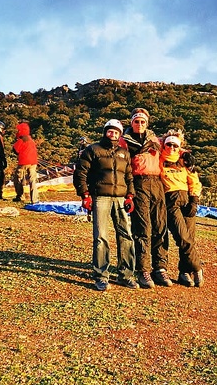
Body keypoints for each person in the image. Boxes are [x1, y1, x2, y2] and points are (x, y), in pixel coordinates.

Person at [73, 119, 138, 291]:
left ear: (120, 134)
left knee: (126, 236)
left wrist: (130, 195)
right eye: (110, 131)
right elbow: (80, 172)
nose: (113, 134)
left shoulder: (124, 153)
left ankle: (126, 275)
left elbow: (129, 176)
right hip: (100, 197)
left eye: (116, 132)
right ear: (105, 132)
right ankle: (101, 276)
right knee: (101, 237)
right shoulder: (93, 150)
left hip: (120, 199)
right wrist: (85, 195)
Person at [123, 107, 172, 288]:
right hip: (138, 182)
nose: (140, 124)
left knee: (160, 226)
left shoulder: (155, 140)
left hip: (157, 183)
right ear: (132, 123)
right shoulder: (124, 141)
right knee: (143, 226)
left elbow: (173, 150)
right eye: (137, 121)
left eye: (143, 122)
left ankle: (160, 267)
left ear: (147, 123)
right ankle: (143, 269)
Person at [160, 130, 204, 287]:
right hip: (170, 199)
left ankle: (184, 272)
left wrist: (194, 199)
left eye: (175, 145)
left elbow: (194, 180)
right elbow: (154, 142)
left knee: (190, 237)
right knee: (182, 237)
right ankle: (197, 267)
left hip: (187, 198)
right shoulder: (159, 158)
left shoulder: (185, 161)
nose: (171, 147)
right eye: (168, 144)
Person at [12, 122, 39, 203]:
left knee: (18, 179)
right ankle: (34, 199)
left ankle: (20, 196)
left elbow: (15, 150)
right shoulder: (31, 139)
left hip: (23, 162)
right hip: (33, 162)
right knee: (32, 180)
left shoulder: (21, 139)